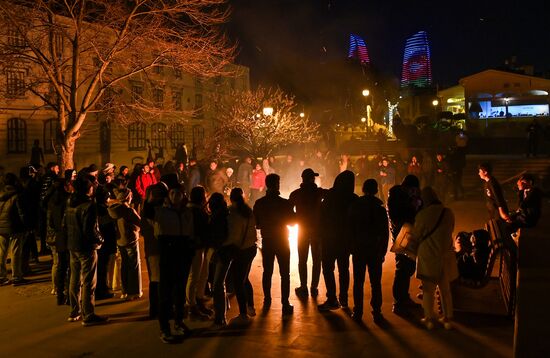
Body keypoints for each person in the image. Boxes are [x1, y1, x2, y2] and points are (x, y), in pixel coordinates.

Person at [64, 176, 108, 326]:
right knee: (89, 280)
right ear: (87, 189)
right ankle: (88, 313)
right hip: (86, 246)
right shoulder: (89, 206)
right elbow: (90, 229)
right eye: (90, 186)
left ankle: (74, 310)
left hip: (73, 244)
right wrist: (100, 240)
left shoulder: (70, 202)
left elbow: (65, 225)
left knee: (75, 279)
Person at [153, 187, 194, 343]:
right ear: (168, 196)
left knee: (180, 291)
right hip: (168, 252)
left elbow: (191, 232)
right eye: (172, 193)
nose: (176, 196)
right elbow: (149, 214)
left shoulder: (186, 212)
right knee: (165, 293)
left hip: (183, 251)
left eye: (178, 193)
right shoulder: (161, 212)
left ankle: (178, 322)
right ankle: (164, 328)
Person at [415, 187, 457, 330]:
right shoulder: (448, 212)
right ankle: (447, 319)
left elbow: (416, 235)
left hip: (428, 256)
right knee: (445, 289)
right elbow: (451, 229)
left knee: (428, 290)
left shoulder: (422, 215)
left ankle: (429, 319)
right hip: (446, 255)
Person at [253, 174, 295, 315]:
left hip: (268, 240)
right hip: (282, 240)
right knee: (285, 273)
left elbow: (257, 224)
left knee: (267, 272)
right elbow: (293, 222)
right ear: (277, 184)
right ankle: (285, 302)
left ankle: (267, 299)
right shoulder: (285, 203)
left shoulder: (259, 203)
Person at [348, 179, 389, 323]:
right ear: (376, 190)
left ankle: (357, 311)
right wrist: (382, 251)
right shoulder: (380, 209)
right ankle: (376, 311)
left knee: (358, 282)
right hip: (374, 249)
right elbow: (385, 233)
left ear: (363, 189)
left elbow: (350, 229)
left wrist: (351, 246)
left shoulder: (355, 206)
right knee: (375, 282)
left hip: (359, 248)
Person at [318, 170, 357, 311]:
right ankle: (344, 298)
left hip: (329, 239)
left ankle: (332, 298)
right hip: (345, 240)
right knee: (344, 269)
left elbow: (321, 216)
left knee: (328, 268)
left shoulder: (330, 196)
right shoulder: (353, 199)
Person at [388, 175, 423, 314]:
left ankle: (403, 298)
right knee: (402, 269)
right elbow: (399, 218)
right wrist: (413, 207)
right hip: (402, 238)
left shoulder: (405, 197)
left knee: (407, 268)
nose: (414, 192)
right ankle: (399, 302)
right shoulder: (396, 197)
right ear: (406, 187)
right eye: (412, 190)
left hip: (408, 236)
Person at [289, 168, 326, 298]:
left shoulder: (295, 194)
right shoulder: (319, 192)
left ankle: (303, 286)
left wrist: (297, 219)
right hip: (317, 230)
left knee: (302, 259)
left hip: (303, 230)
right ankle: (314, 287)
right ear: (311, 179)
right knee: (317, 260)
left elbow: (288, 211)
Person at [108, 188, 142, 300]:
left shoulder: (114, 211)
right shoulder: (128, 210)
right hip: (131, 240)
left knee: (124, 266)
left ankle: (125, 290)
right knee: (134, 265)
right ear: (128, 197)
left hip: (120, 240)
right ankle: (134, 291)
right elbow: (139, 222)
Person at [186, 186, 213, 320]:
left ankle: (198, 300)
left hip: (202, 246)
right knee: (194, 276)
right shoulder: (193, 210)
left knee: (202, 275)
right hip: (195, 247)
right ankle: (192, 306)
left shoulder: (197, 210)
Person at [46, 175, 72, 304]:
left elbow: (51, 222)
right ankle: (69, 295)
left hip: (59, 237)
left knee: (61, 266)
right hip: (68, 236)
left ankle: (60, 294)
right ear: (65, 186)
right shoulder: (68, 200)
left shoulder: (52, 201)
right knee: (71, 267)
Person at [0, 173, 28, 286]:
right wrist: (26, 225)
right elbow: (21, 213)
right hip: (15, 227)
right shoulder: (17, 195)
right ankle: (16, 276)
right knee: (16, 252)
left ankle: (1, 276)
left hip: (1, 227)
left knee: (2, 252)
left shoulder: (1, 194)